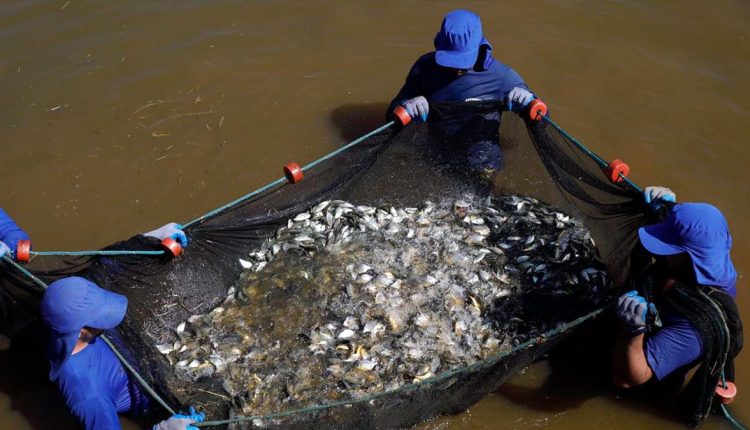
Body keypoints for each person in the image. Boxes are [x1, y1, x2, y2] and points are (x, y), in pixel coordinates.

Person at [40, 224, 200, 430]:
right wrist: (162, 428)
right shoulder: (89, 398)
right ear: (79, 330)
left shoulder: (62, 306)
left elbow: (108, 265)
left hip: (143, 360)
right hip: (150, 403)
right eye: (101, 316)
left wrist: (152, 237)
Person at [612, 186, 742, 424]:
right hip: (661, 311)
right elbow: (696, 232)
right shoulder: (715, 252)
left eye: (669, 249)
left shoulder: (694, 328)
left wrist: (632, 331)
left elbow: (628, 378)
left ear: (688, 258)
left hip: (645, 381)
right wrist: (668, 211)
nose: (662, 253)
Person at [388, 9, 537, 174]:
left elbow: (541, 120)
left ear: (480, 47)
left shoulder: (502, 77)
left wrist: (528, 101)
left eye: (462, 61)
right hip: (437, 152)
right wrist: (406, 104)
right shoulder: (424, 68)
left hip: (483, 157)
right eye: (450, 60)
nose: (456, 68)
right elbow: (391, 114)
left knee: (481, 186)